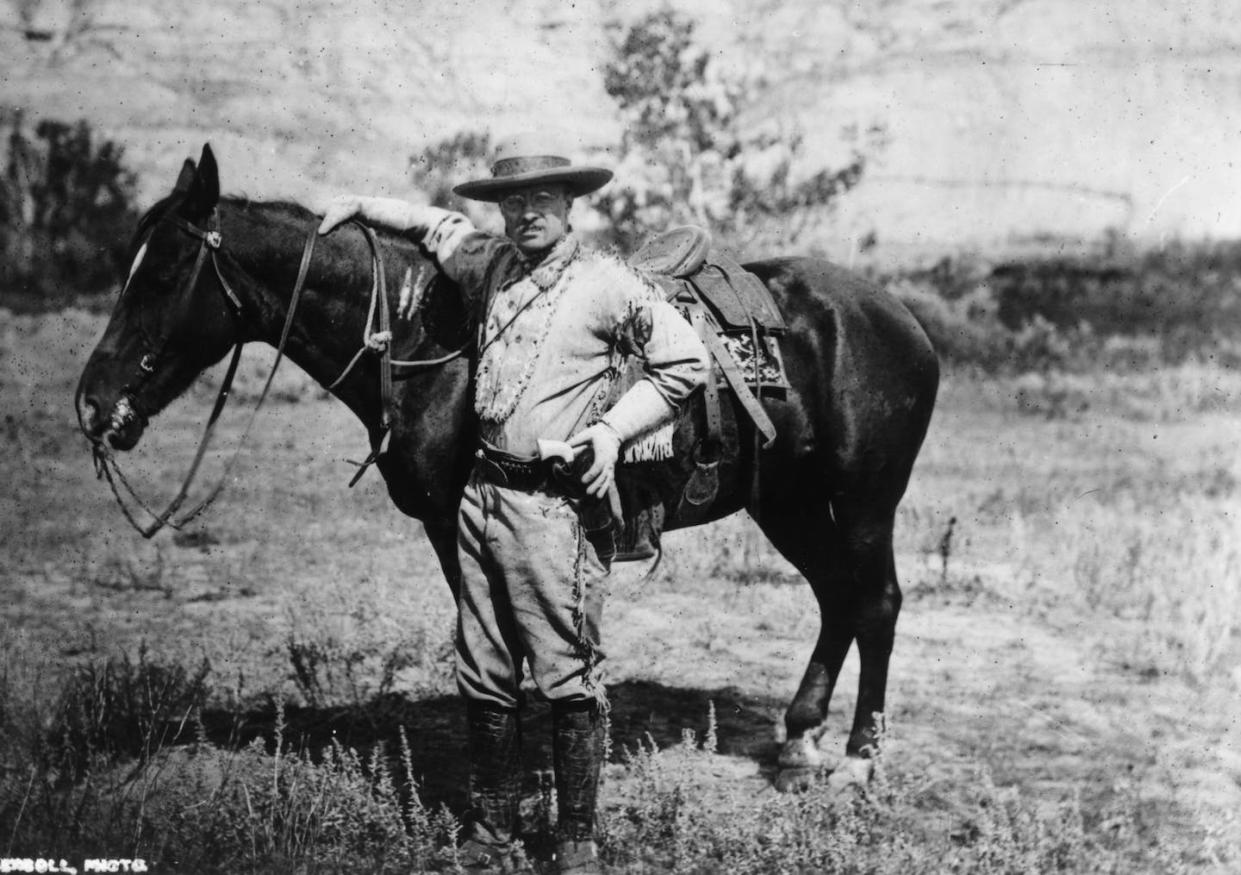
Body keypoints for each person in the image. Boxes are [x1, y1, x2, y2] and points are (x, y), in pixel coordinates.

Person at [319, 132, 710, 874]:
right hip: (481, 497)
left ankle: (575, 841)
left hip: (553, 511)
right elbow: (436, 227)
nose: (524, 213)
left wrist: (608, 433)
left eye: (539, 199)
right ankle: (492, 831)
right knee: (484, 667)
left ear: (568, 204)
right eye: (510, 201)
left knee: (567, 676)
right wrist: (357, 206)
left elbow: (683, 360)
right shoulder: (491, 265)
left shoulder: (606, 283)